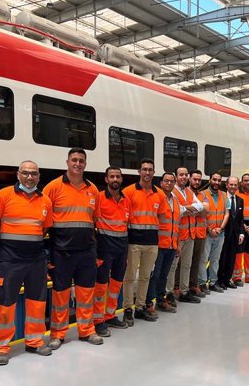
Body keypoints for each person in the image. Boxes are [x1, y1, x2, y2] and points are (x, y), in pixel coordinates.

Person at [0, 160, 53, 365]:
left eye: (34, 173)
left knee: (37, 302)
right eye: (25, 173)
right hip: (10, 260)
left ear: (39, 176)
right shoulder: (2, 196)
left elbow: (44, 229)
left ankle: (34, 341)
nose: (30, 177)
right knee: (6, 303)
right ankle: (1, 347)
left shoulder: (45, 201)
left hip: (36, 259)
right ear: (18, 174)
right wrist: (8, 247)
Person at [44, 148, 103, 347]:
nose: (77, 164)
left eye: (81, 161)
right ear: (67, 162)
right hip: (62, 252)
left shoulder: (92, 189)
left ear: (85, 164)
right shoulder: (53, 187)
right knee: (60, 295)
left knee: (86, 295)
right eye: (74, 160)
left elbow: (94, 220)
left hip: (86, 252)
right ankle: (57, 334)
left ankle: (87, 331)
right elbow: (44, 218)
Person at [122, 158, 166, 324]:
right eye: (144, 169)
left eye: (150, 170)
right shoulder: (128, 192)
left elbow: (161, 216)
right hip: (133, 242)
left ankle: (140, 308)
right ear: (139, 172)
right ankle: (127, 309)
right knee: (129, 277)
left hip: (152, 243)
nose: (147, 173)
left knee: (146, 277)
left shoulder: (159, 194)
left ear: (154, 173)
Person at [92, 167, 131, 338]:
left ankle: (110, 315)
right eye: (112, 176)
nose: (115, 179)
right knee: (100, 287)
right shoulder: (98, 198)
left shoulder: (126, 200)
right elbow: (92, 221)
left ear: (121, 179)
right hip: (104, 247)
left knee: (116, 285)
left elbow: (126, 226)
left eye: (118, 176)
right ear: (106, 179)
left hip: (121, 248)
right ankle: (98, 320)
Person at [169, 167, 204, 303]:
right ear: (176, 176)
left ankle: (184, 291)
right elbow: (178, 211)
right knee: (173, 266)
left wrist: (185, 209)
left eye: (185, 175)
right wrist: (190, 209)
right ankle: (169, 293)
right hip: (178, 235)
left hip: (190, 234)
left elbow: (200, 207)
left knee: (186, 265)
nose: (183, 177)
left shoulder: (189, 192)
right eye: (181, 175)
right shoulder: (172, 191)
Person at [147, 172, 180, 313]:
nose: (169, 183)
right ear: (161, 183)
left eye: (172, 181)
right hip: (159, 245)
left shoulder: (175, 200)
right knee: (154, 275)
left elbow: (176, 224)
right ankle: (148, 302)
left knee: (164, 275)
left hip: (171, 245)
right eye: (166, 181)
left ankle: (160, 300)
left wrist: (177, 244)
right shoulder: (157, 198)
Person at [198, 172, 228, 293]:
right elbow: (202, 215)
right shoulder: (202, 195)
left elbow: (227, 214)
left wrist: (220, 228)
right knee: (203, 259)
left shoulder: (224, 195)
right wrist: (209, 229)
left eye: (219, 180)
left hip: (220, 233)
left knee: (215, 259)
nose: (216, 182)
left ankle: (213, 282)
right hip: (207, 233)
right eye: (214, 179)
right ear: (210, 180)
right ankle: (201, 283)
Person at [217, 176, 245, 289]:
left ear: (238, 186)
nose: (233, 187)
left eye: (235, 185)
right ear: (227, 185)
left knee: (231, 257)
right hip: (223, 233)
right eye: (231, 184)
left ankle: (227, 280)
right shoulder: (222, 198)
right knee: (221, 257)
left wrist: (241, 233)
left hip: (234, 234)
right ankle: (219, 280)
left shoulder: (240, 200)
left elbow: (241, 218)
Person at [188, 170, 209, 296]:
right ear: (190, 179)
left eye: (199, 180)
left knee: (196, 261)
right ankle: (179, 287)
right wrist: (198, 208)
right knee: (184, 263)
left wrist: (193, 208)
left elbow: (206, 210)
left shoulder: (202, 195)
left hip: (200, 234)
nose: (197, 182)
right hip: (188, 233)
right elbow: (184, 209)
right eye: (194, 179)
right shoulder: (185, 193)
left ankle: (193, 285)